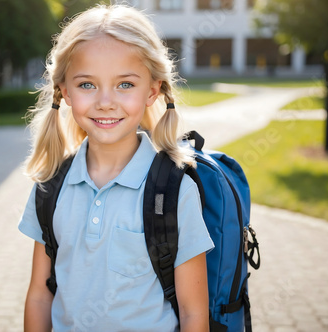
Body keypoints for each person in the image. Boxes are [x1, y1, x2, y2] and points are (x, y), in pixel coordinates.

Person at [18, 4, 214, 332]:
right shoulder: (50, 185)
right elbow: (40, 295)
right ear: (64, 91)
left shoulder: (175, 189)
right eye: (86, 85)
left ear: (152, 90)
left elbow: (194, 313)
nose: (105, 101)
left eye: (125, 84)